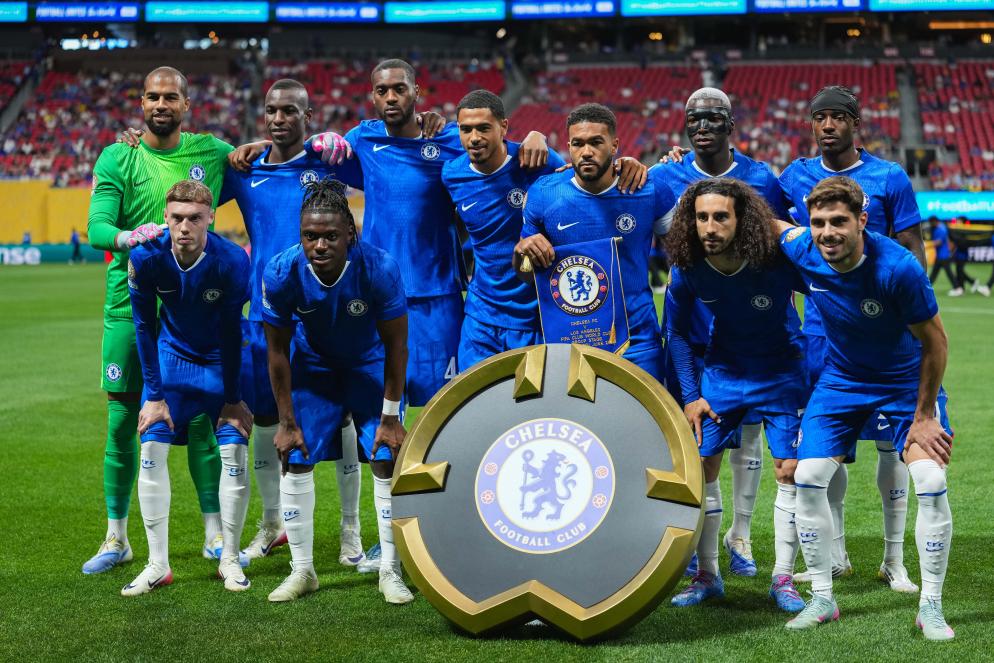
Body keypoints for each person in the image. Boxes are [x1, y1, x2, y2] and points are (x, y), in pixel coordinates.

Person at [776, 176, 953, 641]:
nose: (827, 232)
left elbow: (936, 342)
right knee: (808, 476)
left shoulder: (898, 268)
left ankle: (931, 606)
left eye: (839, 222)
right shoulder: (803, 246)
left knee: (931, 481)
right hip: (841, 381)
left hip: (904, 382)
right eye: (818, 222)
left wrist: (924, 415)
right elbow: (769, 224)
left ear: (862, 221)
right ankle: (822, 597)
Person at [84, 66, 238, 574]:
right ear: (141, 102)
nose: (160, 105)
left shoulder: (210, 153)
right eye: (152, 97)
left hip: (191, 308)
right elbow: (97, 227)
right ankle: (116, 537)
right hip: (128, 305)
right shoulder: (119, 155)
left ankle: (215, 532)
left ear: (186, 104)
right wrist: (129, 237)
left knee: (200, 419)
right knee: (124, 418)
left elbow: (258, 162)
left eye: (170, 97)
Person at [779, 86, 925, 592]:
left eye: (838, 117)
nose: (828, 126)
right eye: (819, 117)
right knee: (827, 447)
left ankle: (894, 559)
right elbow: (759, 217)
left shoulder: (889, 177)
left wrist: (912, 313)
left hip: (883, 333)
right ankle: (836, 555)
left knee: (891, 446)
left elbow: (911, 244)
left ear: (855, 122)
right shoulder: (793, 176)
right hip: (821, 333)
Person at [219, 78, 365, 566]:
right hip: (265, 315)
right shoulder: (246, 170)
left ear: (308, 116)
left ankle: (350, 531)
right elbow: (189, 181)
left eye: (289, 111)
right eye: (272, 111)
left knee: (342, 419)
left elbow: (384, 163)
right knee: (265, 420)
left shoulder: (328, 163)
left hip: (326, 313)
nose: (279, 118)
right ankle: (272, 523)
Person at [657, 87, 794, 577]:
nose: (703, 126)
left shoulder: (762, 178)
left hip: (750, 327)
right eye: (694, 118)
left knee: (752, 434)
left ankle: (742, 536)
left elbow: (780, 240)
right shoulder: (663, 175)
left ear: (731, 125)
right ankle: (704, 554)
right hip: (691, 324)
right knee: (701, 441)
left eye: (714, 118)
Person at [262, 179, 413, 604]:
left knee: (385, 455)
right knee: (295, 455)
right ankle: (302, 571)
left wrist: (390, 417)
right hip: (315, 369)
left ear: (351, 234)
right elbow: (277, 352)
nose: (320, 245)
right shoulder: (281, 271)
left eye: (330, 236)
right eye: (310, 236)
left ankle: (390, 569)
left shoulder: (379, 268)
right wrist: (286, 422)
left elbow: (397, 346)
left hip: (369, 365)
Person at [665, 178, 807, 613]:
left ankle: (783, 578)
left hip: (781, 370)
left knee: (789, 470)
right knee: (701, 466)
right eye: (701, 217)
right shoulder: (688, 267)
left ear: (741, 219)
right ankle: (708, 575)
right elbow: (676, 332)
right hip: (723, 372)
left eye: (720, 217)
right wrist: (691, 395)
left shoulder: (775, 259)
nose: (709, 227)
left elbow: (830, 291)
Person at [441, 90, 647, 370]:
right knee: (473, 394)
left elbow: (584, 175)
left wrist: (624, 163)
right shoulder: (452, 174)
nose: (474, 137)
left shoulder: (538, 160)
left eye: (484, 128)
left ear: (503, 127)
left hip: (538, 315)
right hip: (482, 315)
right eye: (466, 129)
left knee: (534, 398)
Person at [122, 180, 252, 596]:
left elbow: (232, 332)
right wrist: (154, 395)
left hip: (219, 361)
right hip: (171, 359)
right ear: (165, 217)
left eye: (194, 218)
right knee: (150, 447)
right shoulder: (145, 256)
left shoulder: (232, 260)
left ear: (210, 218)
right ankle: (157, 564)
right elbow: (144, 326)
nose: (184, 227)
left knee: (234, 450)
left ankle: (229, 558)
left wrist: (233, 399)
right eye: (177, 218)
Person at [514, 103, 677, 381]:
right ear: (568, 146)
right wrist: (522, 253)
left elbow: (682, 254)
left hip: (637, 342)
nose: (586, 151)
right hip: (569, 341)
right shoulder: (543, 193)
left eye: (596, 142)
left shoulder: (648, 190)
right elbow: (527, 275)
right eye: (578, 144)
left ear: (614, 146)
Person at [927, 216, 957, 292]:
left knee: (947, 273)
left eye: (931, 223)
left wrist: (927, 245)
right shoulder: (941, 227)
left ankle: (957, 287)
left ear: (934, 221)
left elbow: (939, 242)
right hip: (941, 255)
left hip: (943, 256)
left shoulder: (941, 229)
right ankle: (957, 287)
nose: (930, 224)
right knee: (935, 273)